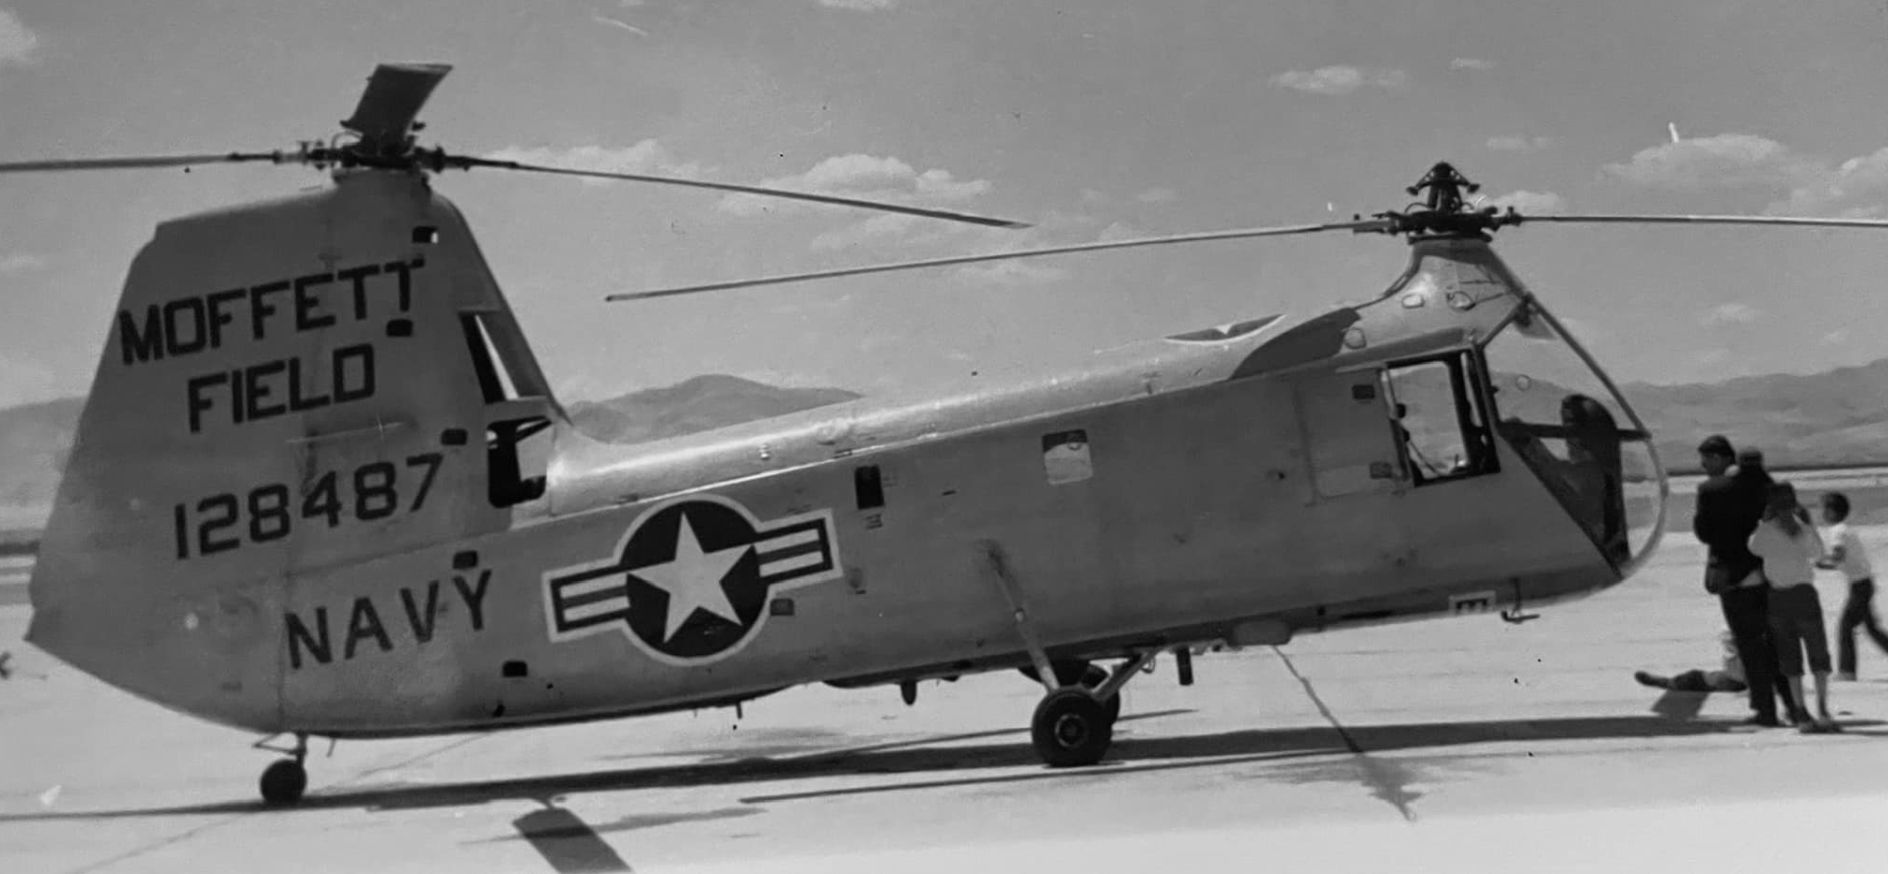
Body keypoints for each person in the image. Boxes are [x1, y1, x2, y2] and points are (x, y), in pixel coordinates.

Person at [1692, 437, 1795, 725]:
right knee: (1775, 644)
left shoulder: (1711, 490)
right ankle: (1793, 704)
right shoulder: (1770, 488)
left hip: (1734, 575)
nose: (1702, 465)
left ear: (1722, 458)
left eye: (1706, 459)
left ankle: (1764, 710)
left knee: (1750, 646)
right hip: (1770, 575)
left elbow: (1704, 533)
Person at [1749, 482, 1840, 733]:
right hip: (1804, 594)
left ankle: (1800, 711)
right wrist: (1806, 523)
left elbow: (1753, 548)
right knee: (1818, 653)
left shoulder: (1765, 532)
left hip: (1778, 597)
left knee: (1790, 658)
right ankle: (1822, 709)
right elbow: (1818, 553)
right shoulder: (1803, 529)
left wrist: (1764, 521)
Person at [1817, 491, 1888, 680]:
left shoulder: (1837, 531)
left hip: (1860, 586)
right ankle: (1847, 671)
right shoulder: (1845, 528)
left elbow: (1838, 555)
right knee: (1871, 628)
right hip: (1863, 583)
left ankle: (1847, 671)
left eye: (1824, 509)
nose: (1822, 513)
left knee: (1846, 626)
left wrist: (1822, 563)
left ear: (1832, 511)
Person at [1634, 631, 1747, 693]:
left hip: (1736, 679)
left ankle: (1666, 683)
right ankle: (1667, 682)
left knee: (1693, 678)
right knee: (1695, 677)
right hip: (1737, 677)